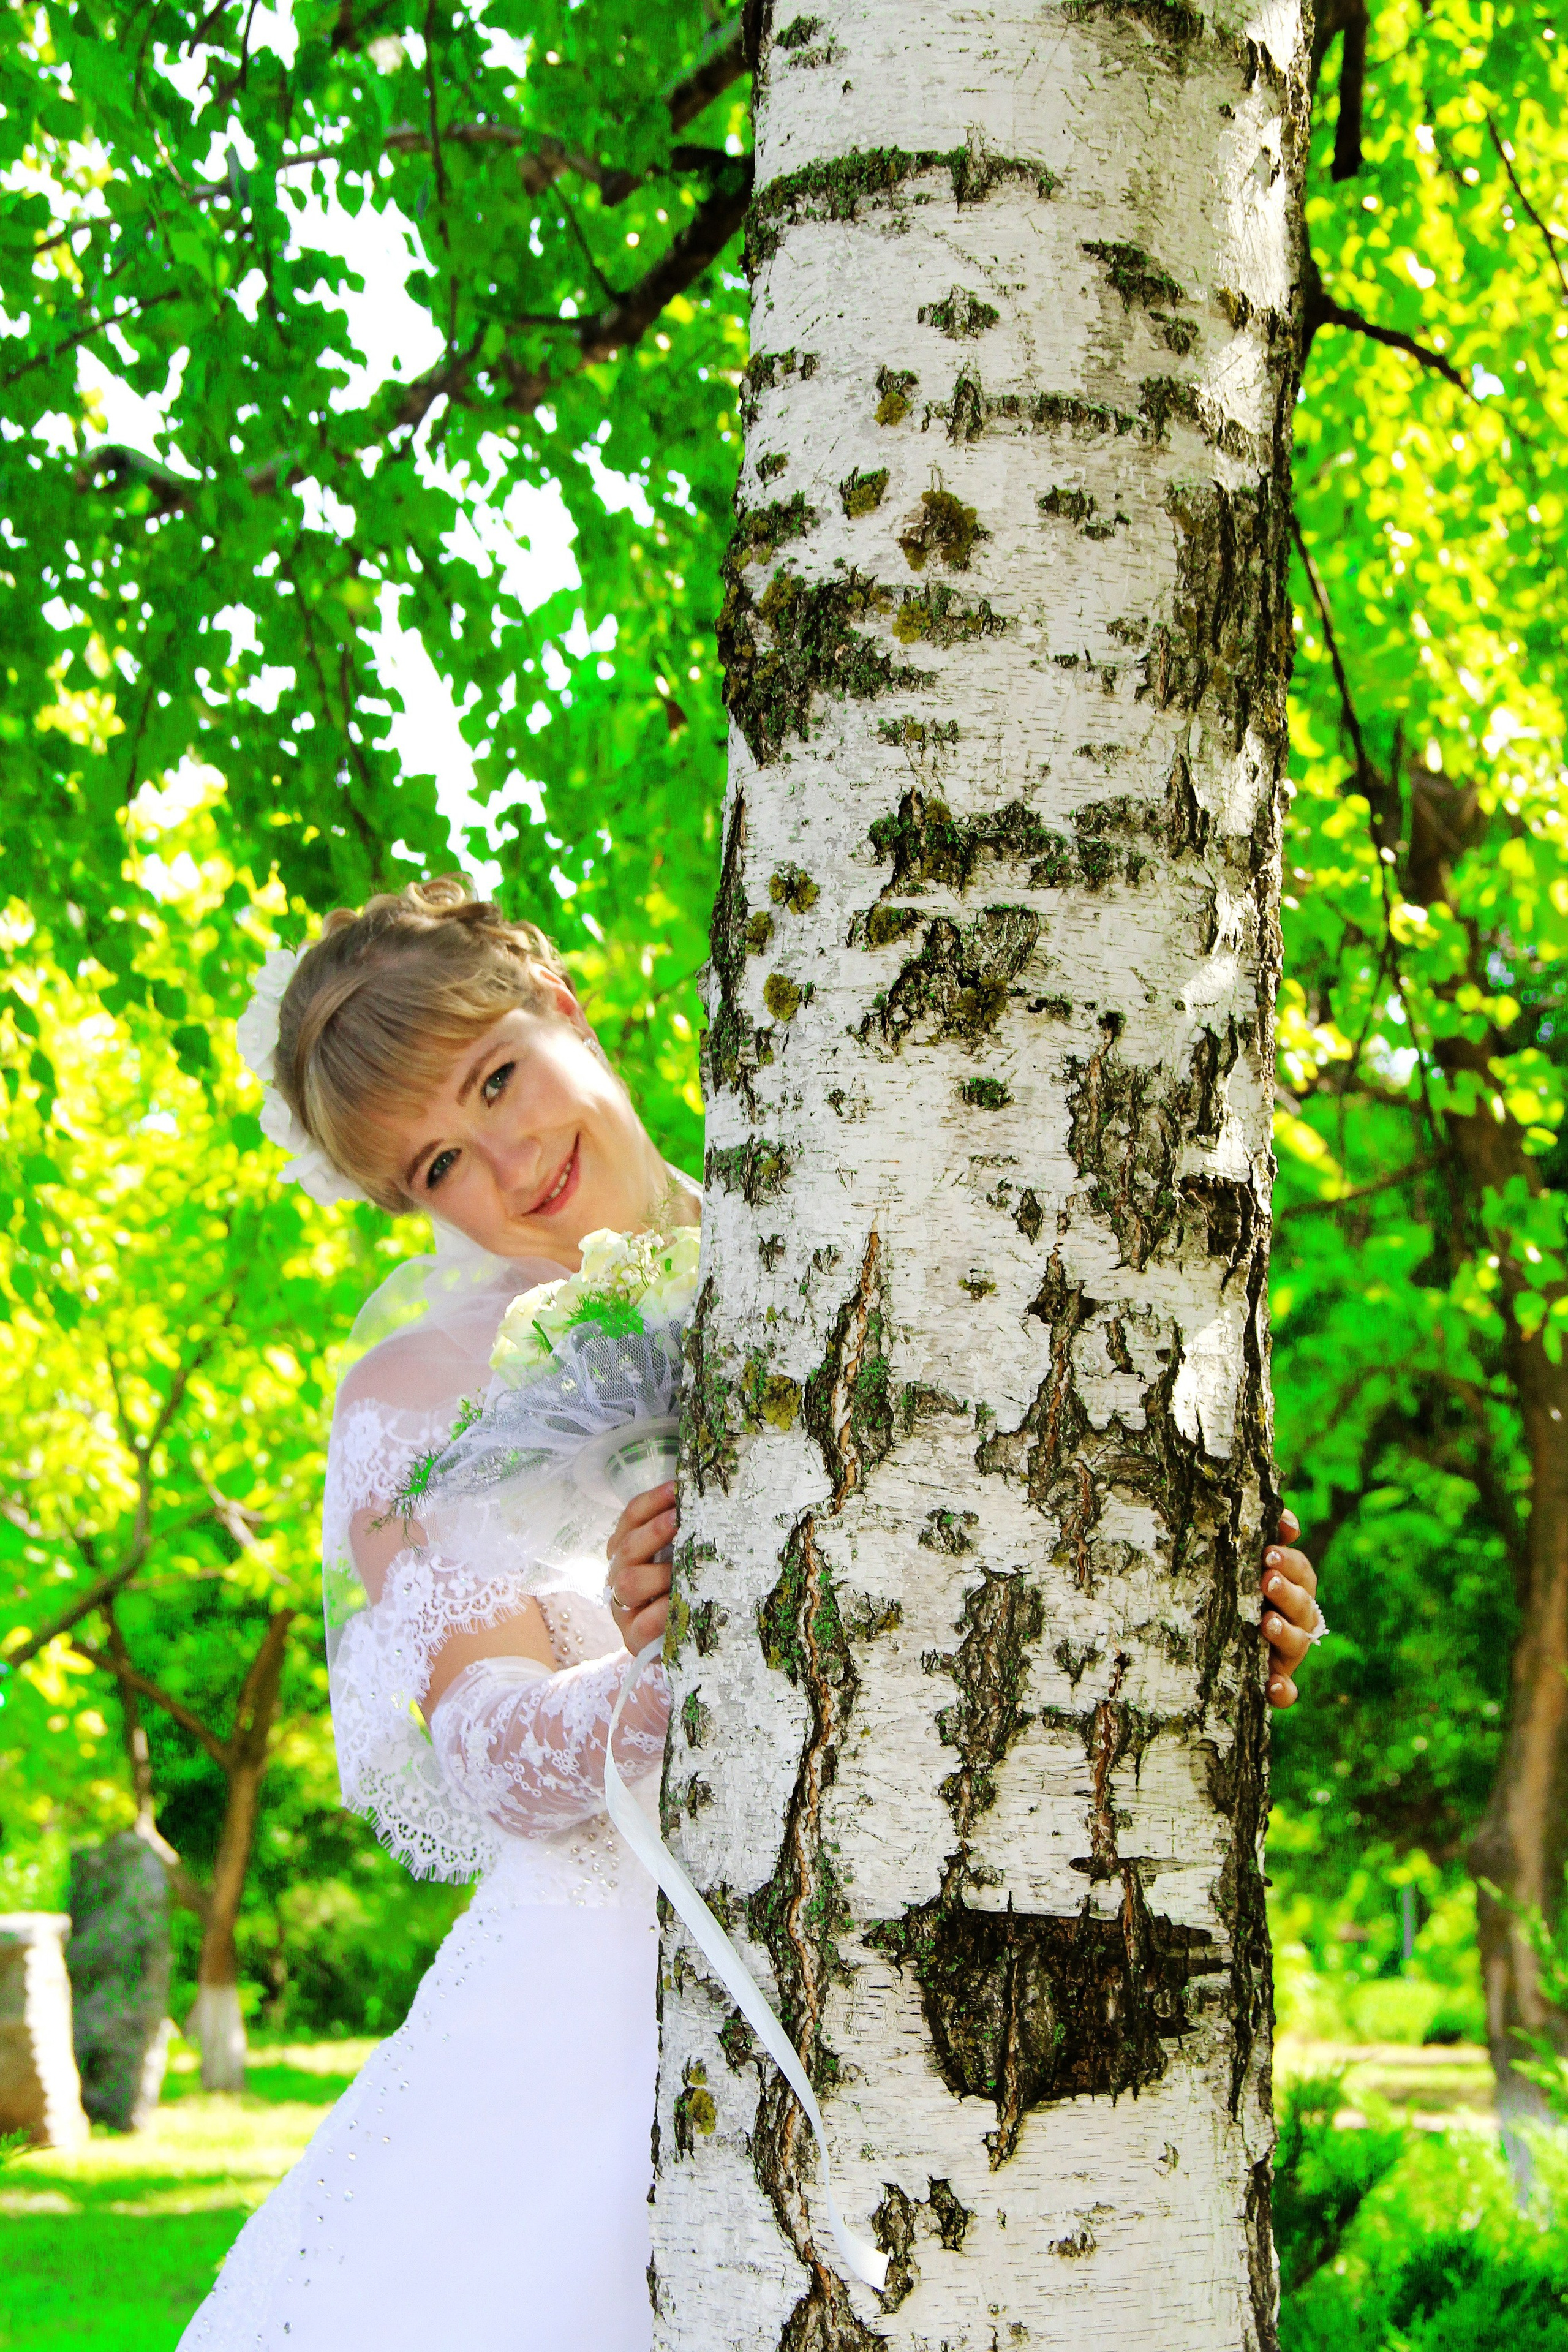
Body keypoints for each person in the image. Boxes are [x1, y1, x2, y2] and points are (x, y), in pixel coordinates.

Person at [178, 876, 1325, 2351]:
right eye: (438, 1163)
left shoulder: (847, 1250)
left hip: (955, 1959)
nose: (506, 1161)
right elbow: (479, 1745)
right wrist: (668, 1673)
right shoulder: (418, 1394)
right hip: (606, 2025)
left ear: (563, 1010)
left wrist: (1185, 1621)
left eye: (497, 1077)